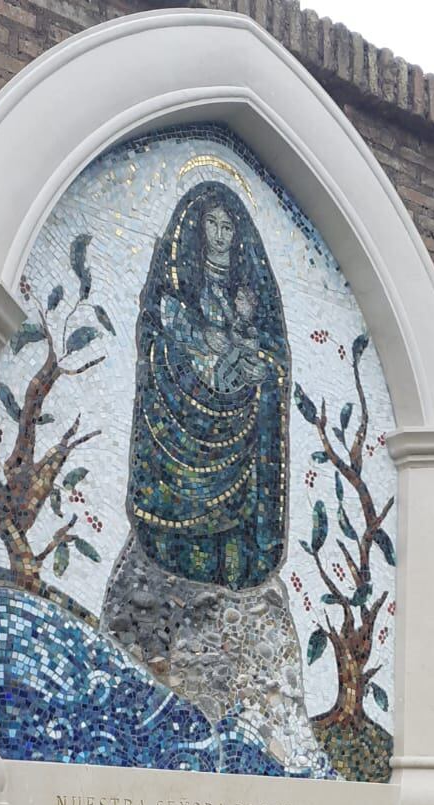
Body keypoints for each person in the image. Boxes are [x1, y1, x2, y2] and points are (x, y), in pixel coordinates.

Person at [124, 181, 290, 592]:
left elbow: (272, 357)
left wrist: (259, 367)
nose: (219, 233)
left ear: (237, 235)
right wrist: (194, 355)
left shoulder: (249, 293)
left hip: (240, 426)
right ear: (198, 230)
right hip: (184, 422)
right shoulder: (181, 286)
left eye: (227, 226)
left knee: (232, 540)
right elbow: (159, 339)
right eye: (211, 224)